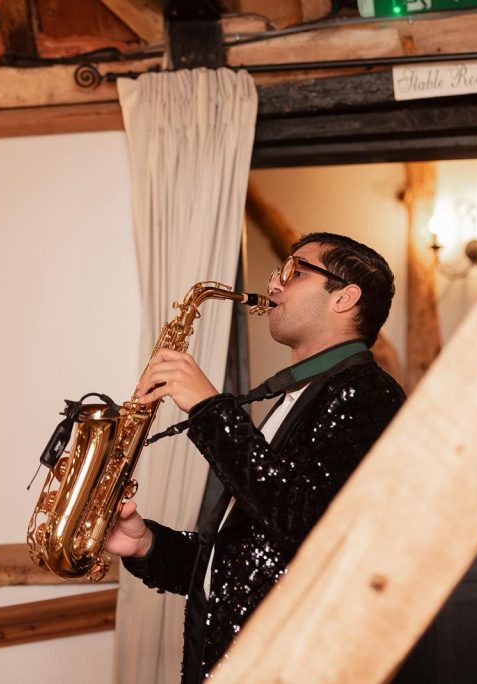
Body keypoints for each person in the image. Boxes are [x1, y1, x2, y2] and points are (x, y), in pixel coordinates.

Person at [104, 232, 406, 683]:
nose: (276, 284)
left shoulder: (367, 392)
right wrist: (146, 543)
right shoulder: (300, 396)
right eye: (278, 272)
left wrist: (210, 408)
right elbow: (246, 561)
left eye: (295, 271)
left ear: (345, 297)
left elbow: (303, 524)